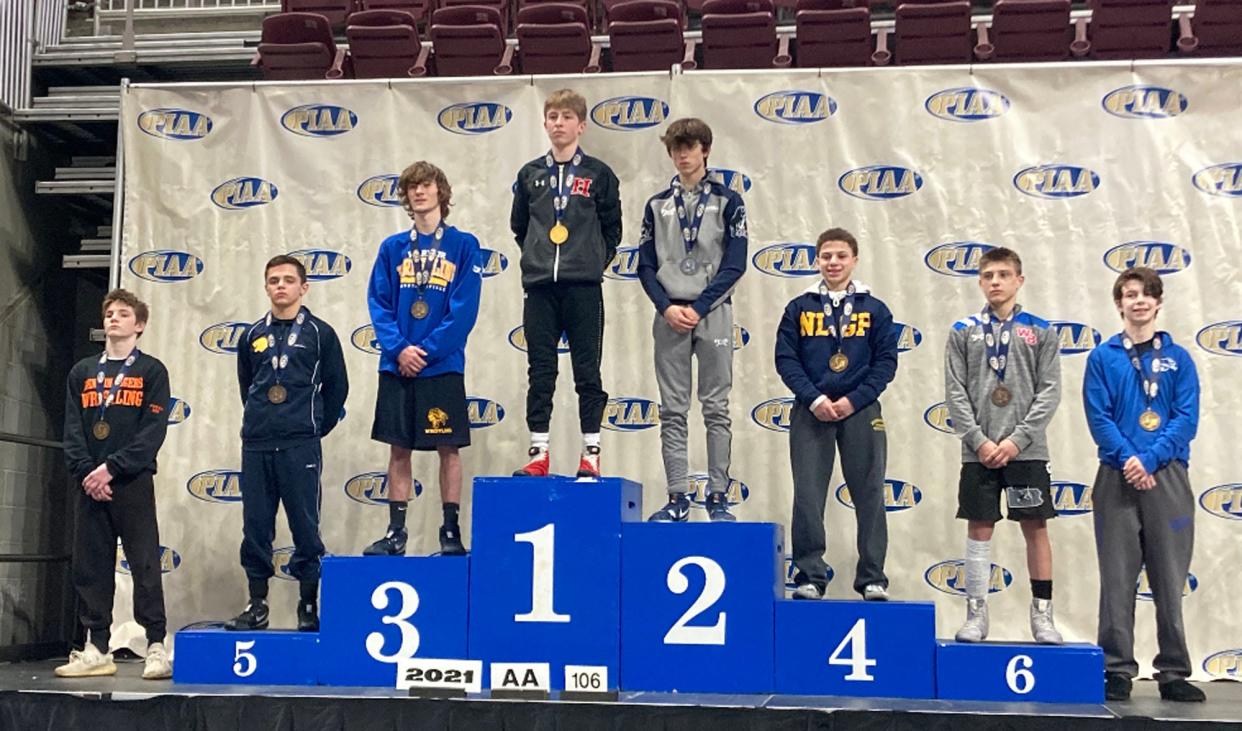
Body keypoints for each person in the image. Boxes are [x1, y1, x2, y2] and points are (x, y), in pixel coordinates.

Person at [1084, 267, 1204, 703]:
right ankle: (1116, 668)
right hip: (1116, 475)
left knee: (1169, 578)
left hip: (1167, 473)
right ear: (1118, 303)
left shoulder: (1179, 359)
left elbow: (1185, 418)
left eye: (1146, 294)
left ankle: (1173, 670)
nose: (1138, 301)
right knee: (1117, 578)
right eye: (1129, 294)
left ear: (1158, 302)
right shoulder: (1103, 357)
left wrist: (1149, 458)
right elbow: (1099, 417)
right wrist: (1129, 459)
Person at [363, 161, 483, 557]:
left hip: (441, 365)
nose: (419, 192)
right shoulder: (392, 248)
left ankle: (450, 530)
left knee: (448, 448)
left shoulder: (463, 245)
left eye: (426, 185)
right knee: (399, 448)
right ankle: (396, 532)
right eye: (412, 187)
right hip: (398, 364)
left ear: (441, 193)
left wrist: (426, 351)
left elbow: (463, 310)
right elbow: (378, 303)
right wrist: (399, 349)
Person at [944, 247, 1062, 644]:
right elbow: (955, 392)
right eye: (988, 275)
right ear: (980, 281)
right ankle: (976, 614)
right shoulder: (962, 330)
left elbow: (1049, 392)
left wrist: (1015, 441)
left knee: (1035, 527)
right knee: (979, 528)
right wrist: (978, 441)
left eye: (1003, 275)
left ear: (1019, 280)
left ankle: (1043, 616)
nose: (995, 282)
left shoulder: (1041, 330)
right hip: (977, 451)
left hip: (1025, 451)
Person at [225, 255, 348, 633]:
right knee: (256, 528)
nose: (281, 286)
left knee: (305, 528)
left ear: (303, 287)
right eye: (274, 280)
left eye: (288, 280)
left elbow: (337, 388)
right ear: (266, 287)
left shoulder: (320, 333)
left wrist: (309, 428)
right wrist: (265, 421)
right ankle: (257, 604)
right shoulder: (251, 336)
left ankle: (307, 604)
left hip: (300, 445)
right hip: (258, 443)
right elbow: (249, 386)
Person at [775, 228, 897, 600]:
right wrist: (814, 399)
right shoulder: (799, 308)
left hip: (859, 410)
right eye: (826, 256)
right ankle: (810, 575)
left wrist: (853, 401)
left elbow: (886, 363)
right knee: (808, 494)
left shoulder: (875, 309)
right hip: (811, 411)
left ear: (854, 260)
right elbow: (785, 359)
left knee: (870, 493)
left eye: (841, 256)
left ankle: (872, 577)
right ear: (816, 260)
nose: (833, 262)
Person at [58, 289, 172, 679]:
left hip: (132, 482)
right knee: (91, 565)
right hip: (90, 483)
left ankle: (156, 644)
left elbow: (152, 431)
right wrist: (88, 472)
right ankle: (97, 646)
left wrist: (113, 469)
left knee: (143, 563)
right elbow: (73, 429)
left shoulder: (151, 372)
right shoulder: (82, 372)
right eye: (110, 313)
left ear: (138, 325)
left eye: (123, 314)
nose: (114, 319)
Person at [638, 117, 748, 523]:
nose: (682, 155)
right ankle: (678, 496)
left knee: (716, 406)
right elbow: (645, 265)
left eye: (690, 147)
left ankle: (718, 495)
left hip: (713, 311)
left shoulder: (728, 201)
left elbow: (735, 264)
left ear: (705, 150)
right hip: (669, 313)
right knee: (672, 408)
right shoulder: (656, 204)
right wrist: (666, 307)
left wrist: (699, 307)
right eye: (676, 148)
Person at [510, 88, 622, 479]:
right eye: (553, 116)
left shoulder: (598, 174)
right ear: (545, 123)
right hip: (540, 287)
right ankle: (538, 452)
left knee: (587, 372)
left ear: (582, 125)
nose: (559, 123)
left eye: (566, 117)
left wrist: (590, 263)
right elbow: (520, 227)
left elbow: (613, 229)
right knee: (540, 371)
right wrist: (540, 258)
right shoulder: (529, 175)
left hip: (583, 288)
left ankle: (590, 454)